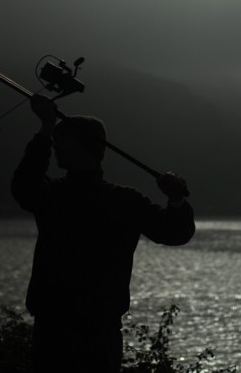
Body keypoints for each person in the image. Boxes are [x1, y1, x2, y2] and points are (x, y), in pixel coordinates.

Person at [12, 94, 195, 372]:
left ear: (81, 145)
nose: (55, 145)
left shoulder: (55, 195)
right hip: (90, 334)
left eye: (62, 138)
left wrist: (176, 201)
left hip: (64, 334)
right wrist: (176, 201)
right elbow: (175, 232)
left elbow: (175, 232)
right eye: (55, 138)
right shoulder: (122, 200)